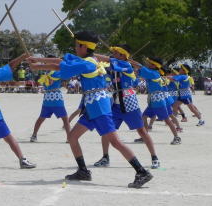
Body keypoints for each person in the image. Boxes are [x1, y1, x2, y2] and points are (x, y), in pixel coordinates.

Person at [28, 31, 153, 189]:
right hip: (91, 105)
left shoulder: (88, 63)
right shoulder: (88, 60)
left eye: (76, 45)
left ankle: (141, 172)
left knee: (115, 141)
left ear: (83, 46)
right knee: (72, 137)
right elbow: (60, 61)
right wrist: (38, 61)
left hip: (98, 106)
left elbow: (60, 64)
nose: (75, 48)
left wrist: (37, 64)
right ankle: (83, 171)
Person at [93, 45, 160, 169]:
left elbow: (109, 60)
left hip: (129, 102)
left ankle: (154, 157)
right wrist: (92, 55)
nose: (114, 55)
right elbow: (105, 62)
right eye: (115, 53)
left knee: (142, 131)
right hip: (116, 103)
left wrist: (93, 53)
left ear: (124, 56)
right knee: (107, 131)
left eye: (117, 53)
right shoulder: (115, 64)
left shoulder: (127, 65)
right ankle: (105, 157)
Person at [129, 58, 181, 145]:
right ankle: (144, 137)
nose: (149, 64)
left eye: (151, 64)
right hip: (154, 100)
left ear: (155, 66)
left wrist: (129, 61)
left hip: (158, 100)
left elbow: (140, 67)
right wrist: (130, 60)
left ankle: (177, 137)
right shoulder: (153, 73)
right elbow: (140, 67)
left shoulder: (153, 73)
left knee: (167, 119)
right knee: (144, 116)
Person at [30, 62, 71, 143]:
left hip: (47, 98)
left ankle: (34, 135)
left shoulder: (45, 74)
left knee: (41, 118)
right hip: (56, 98)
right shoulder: (57, 72)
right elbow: (67, 76)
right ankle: (69, 138)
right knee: (65, 119)